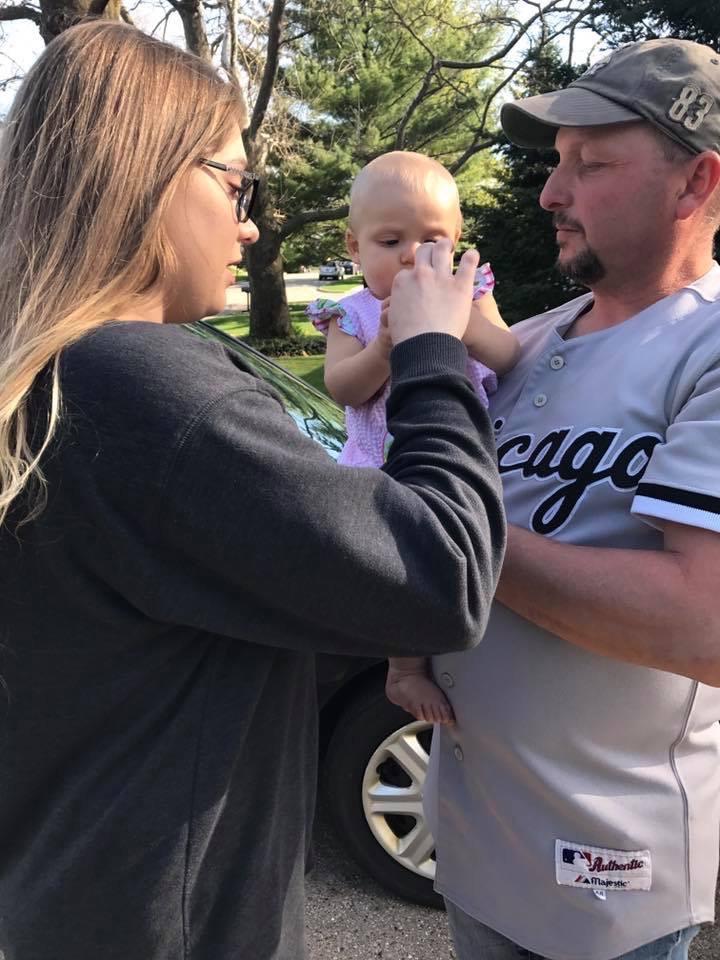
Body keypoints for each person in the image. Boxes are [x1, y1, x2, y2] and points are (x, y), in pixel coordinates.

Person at [0, 21, 507, 960]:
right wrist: (435, 349)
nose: (249, 223)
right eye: (237, 185)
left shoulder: (51, 377)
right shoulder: (144, 390)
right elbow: (440, 575)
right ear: (146, 176)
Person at [423, 36, 720, 960]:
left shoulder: (706, 349)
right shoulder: (525, 340)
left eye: (591, 165)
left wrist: (452, 535)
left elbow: (705, 625)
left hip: (609, 883)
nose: (551, 194)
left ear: (696, 184)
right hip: (473, 844)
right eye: (557, 165)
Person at [307, 151, 519, 727]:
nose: (410, 255)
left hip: (461, 454)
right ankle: (403, 671)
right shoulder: (350, 314)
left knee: (463, 545)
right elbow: (343, 389)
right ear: (354, 247)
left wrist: (461, 323)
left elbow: (507, 354)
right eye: (389, 240)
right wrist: (383, 348)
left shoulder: (471, 293)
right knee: (403, 565)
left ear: (456, 243)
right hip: (381, 466)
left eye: (431, 241)